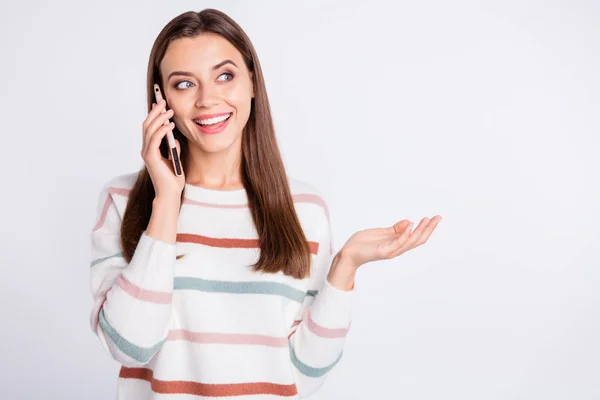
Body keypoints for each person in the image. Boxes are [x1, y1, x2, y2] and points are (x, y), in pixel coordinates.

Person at [89, 8, 442, 399]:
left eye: (225, 76)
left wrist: (345, 266)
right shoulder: (124, 201)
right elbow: (130, 347)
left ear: (253, 83)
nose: (208, 99)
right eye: (185, 84)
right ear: (161, 99)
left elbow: (304, 375)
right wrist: (168, 199)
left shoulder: (304, 209)